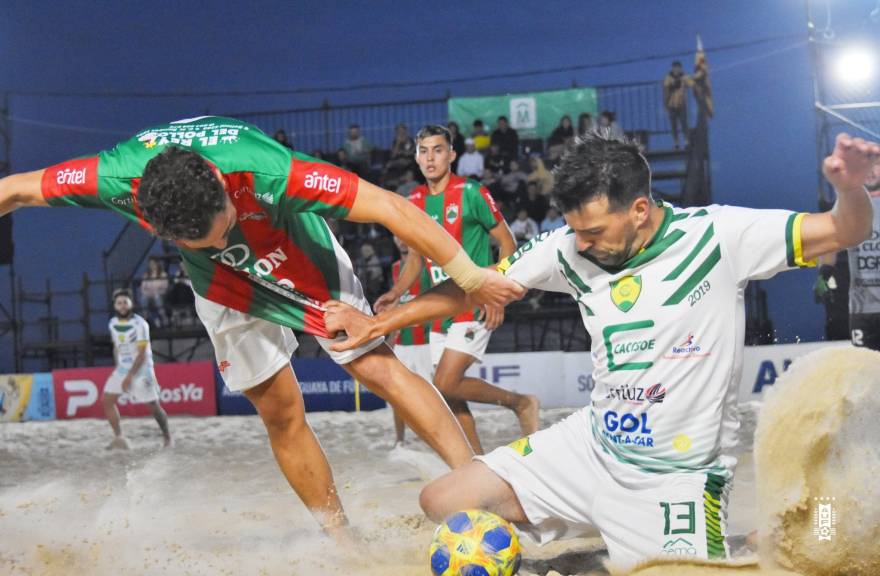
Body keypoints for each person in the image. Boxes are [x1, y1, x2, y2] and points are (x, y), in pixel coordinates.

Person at [324, 133, 879, 569]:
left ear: (639, 209)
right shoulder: (568, 247)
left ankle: (748, 534)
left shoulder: (717, 237)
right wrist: (381, 322)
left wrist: (850, 189)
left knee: (711, 566)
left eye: (592, 230)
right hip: (590, 446)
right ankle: (602, 532)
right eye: (574, 230)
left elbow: (842, 230)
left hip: (673, 475)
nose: (580, 243)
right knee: (441, 500)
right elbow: (478, 283)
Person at [0, 115, 524, 545]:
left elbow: (390, 207)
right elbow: (14, 190)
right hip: (221, 284)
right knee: (279, 410)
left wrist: (471, 276)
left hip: (291, 247)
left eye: (225, 220)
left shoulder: (266, 169)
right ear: (154, 224)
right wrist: (216, 249)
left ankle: (487, 492)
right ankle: (341, 537)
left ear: (220, 186)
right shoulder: (113, 180)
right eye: (205, 237)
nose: (224, 232)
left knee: (375, 366)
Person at [374, 124, 539, 455]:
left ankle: (520, 403)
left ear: (452, 155)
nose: (430, 157)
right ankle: (477, 465)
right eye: (424, 151)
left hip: (475, 298)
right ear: (416, 158)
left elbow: (506, 241)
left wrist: (500, 292)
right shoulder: (414, 201)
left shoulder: (472, 193)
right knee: (450, 395)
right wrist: (395, 292)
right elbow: (415, 260)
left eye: (438, 150)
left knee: (446, 383)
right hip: (441, 306)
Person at [817, 159, 880, 350]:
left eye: (876, 166)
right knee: (864, 371)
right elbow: (830, 241)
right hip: (862, 310)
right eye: (866, 166)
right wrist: (824, 274)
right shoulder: (846, 206)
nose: (870, 171)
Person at [103, 289, 172, 449]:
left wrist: (129, 377)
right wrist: (119, 369)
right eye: (119, 303)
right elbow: (116, 347)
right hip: (123, 368)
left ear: (131, 304)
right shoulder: (112, 323)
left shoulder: (141, 324)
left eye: (125, 302)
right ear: (115, 306)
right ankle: (119, 438)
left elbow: (141, 355)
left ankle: (168, 437)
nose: (122, 306)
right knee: (107, 401)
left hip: (142, 369)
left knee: (153, 405)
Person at [387, 236, 435, 446]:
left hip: (426, 342)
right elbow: (396, 306)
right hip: (402, 343)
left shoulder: (427, 266)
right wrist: (390, 337)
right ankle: (400, 440)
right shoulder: (395, 268)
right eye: (397, 237)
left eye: (405, 236)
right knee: (398, 395)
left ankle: (436, 438)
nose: (402, 241)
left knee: (432, 396)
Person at [663, 61, 690, 149]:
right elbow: (666, 91)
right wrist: (665, 104)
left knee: (684, 123)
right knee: (673, 124)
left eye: (678, 67)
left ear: (680, 68)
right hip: (671, 104)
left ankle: (686, 141)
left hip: (682, 103)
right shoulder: (668, 77)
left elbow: (689, 84)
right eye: (675, 67)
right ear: (672, 68)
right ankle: (676, 142)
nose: (676, 69)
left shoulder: (684, 76)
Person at [140, 256, 169, 327]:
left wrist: (157, 292)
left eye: (153, 264)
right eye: (150, 264)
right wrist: (147, 293)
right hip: (149, 296)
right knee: (144, 298)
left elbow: (165, 287)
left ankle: (163, 316)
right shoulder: (146, 275)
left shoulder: (163, 274)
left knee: (157, 297)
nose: (152, 266)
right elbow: (143, 287)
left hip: (160, 295)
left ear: (157, 264)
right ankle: (145, 317)